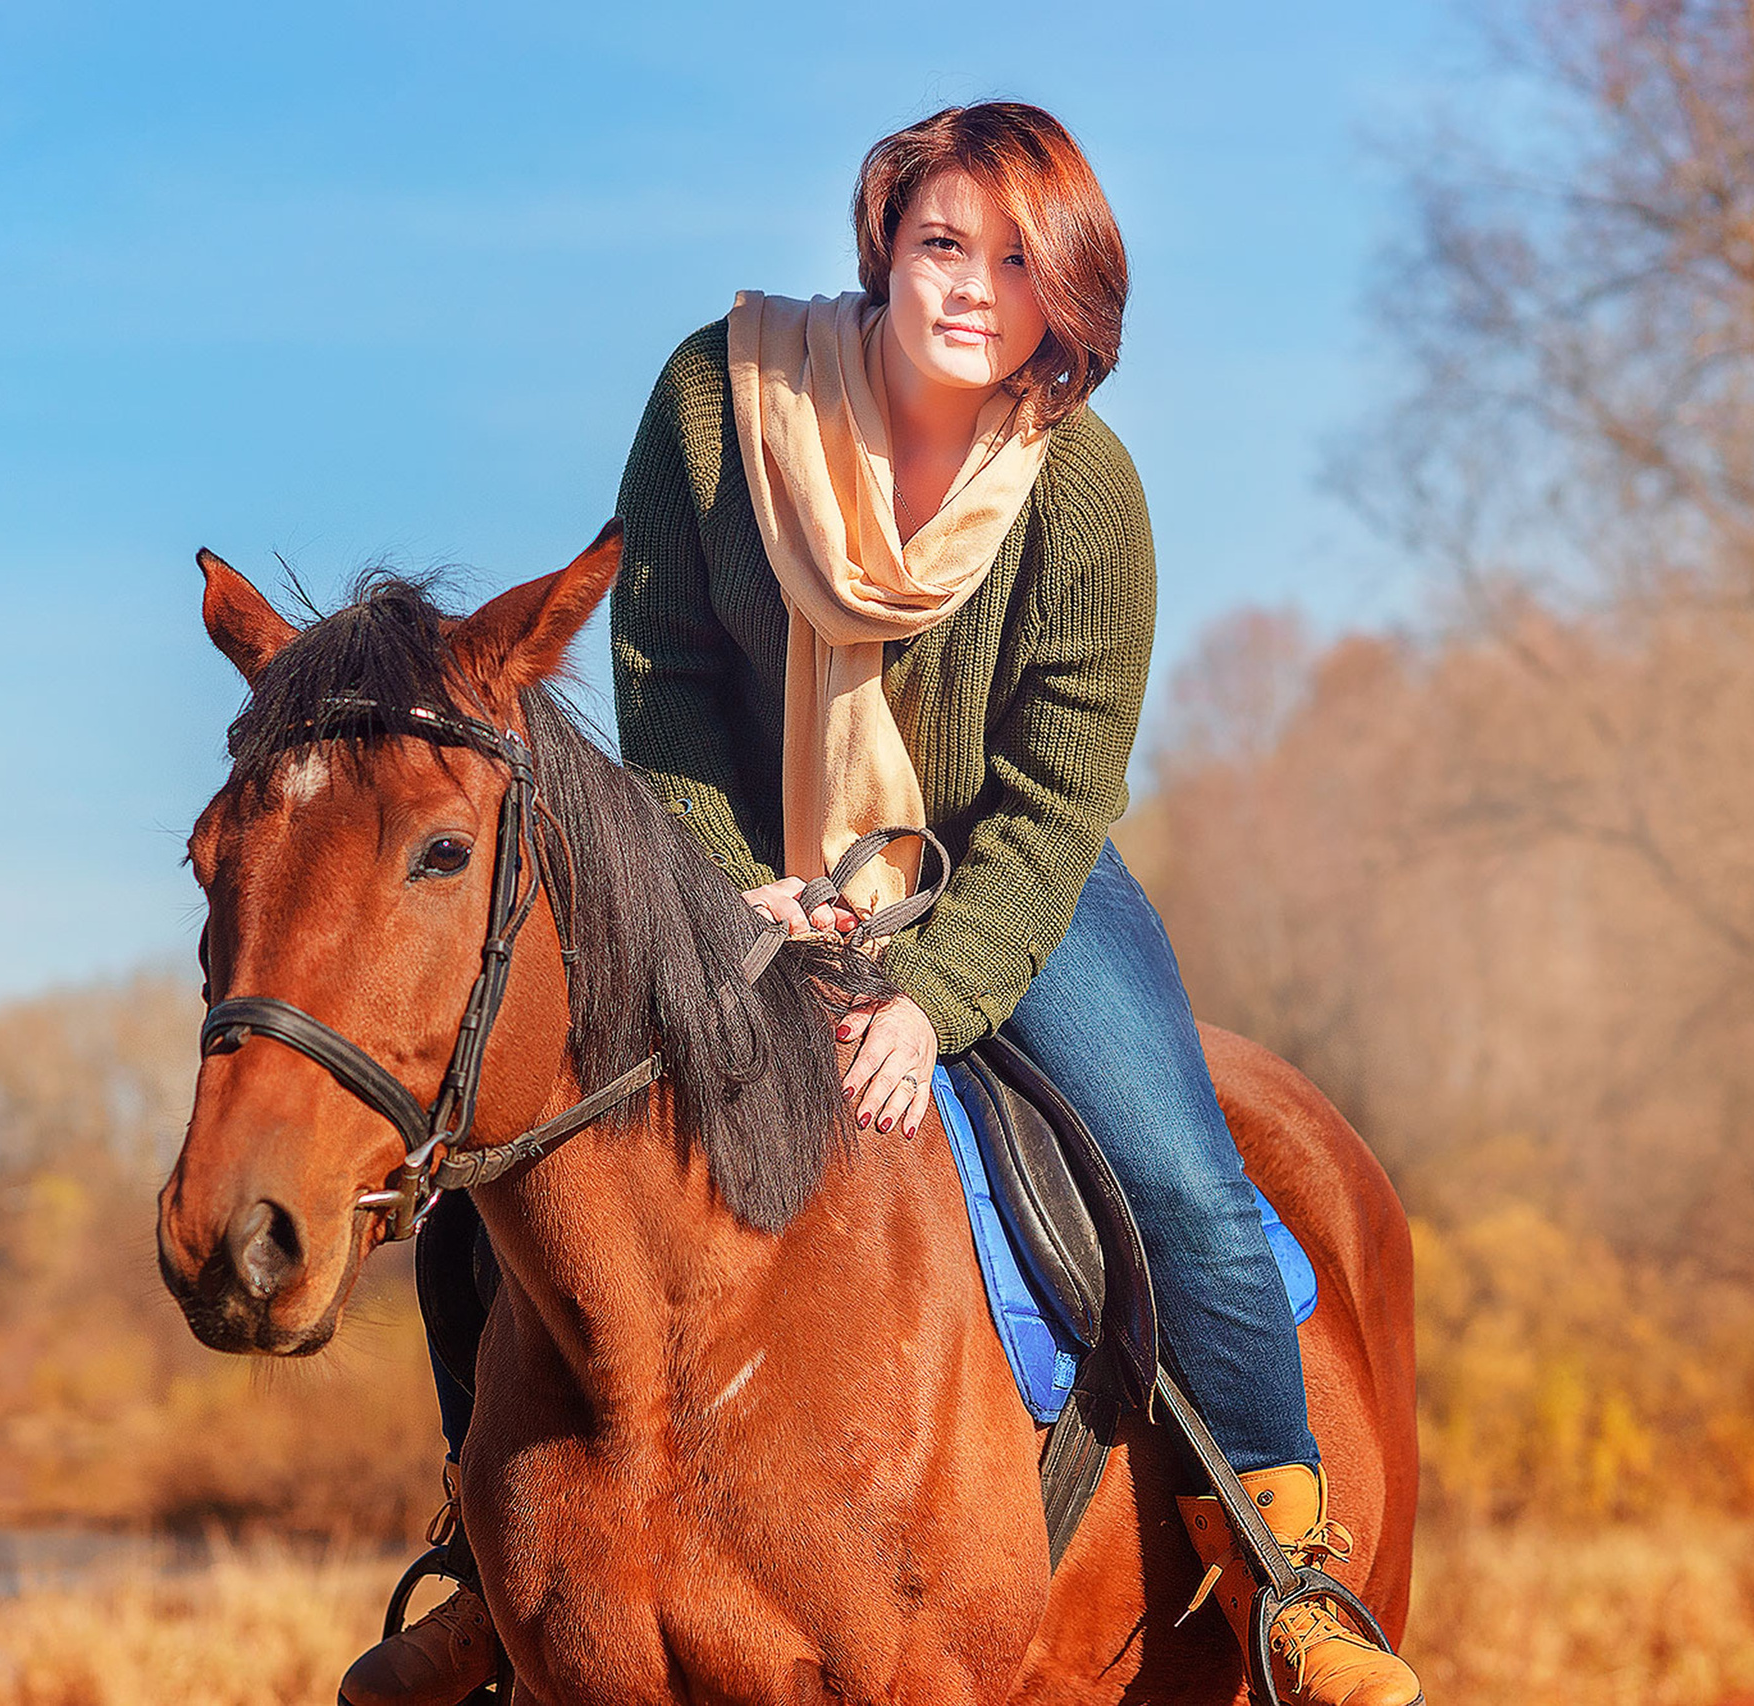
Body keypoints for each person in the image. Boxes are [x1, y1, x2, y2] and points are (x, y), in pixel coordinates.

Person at [342, 102, 1422, 1706]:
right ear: (883, 247)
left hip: (999, 878)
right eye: (943, 243)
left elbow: (1057, 799)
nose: (975, 287)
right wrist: (733, 887)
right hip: (742, 864)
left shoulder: (1087, 494)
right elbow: (665, 675)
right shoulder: (717, 404)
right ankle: (486, 1571)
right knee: (492, 1172)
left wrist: (932, 999)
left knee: (1188, 1183)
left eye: (1020, 261)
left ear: (1070, 293)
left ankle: (1290, 1573)